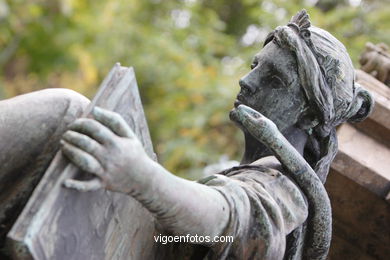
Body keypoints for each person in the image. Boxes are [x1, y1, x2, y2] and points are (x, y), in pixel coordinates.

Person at [0, 10, 373, 260]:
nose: (247, 81)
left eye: (274, 79)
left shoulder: (286, 189)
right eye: (255, 66)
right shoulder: (260, 172)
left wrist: (141, 177)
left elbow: (232, 221)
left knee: (66, 113)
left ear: (308, 115)